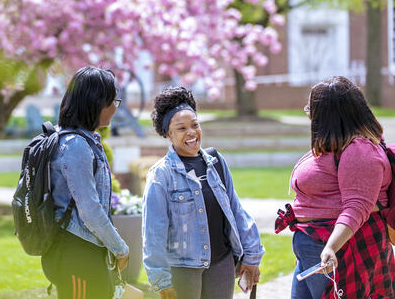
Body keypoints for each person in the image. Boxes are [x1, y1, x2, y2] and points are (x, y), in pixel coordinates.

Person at [275, 76, 395, 298]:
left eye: (311, 108)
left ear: (329, 114)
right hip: (314, 246)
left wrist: (330, 247)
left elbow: (357, 207)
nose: (308, 113)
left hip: (342, 248)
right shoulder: (337, 146)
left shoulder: (360, 150)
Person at [142, 86, 264, 299]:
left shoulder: (215, 163)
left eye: (194, 125)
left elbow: (235, 210)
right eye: (181, 128)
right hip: (183, 270)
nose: (191, 132)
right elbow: (153, 233)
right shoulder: (161, 175)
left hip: (221, 264)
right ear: (168, 134)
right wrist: (160, 280)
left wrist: (252, 255)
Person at [41, 67, 129, 299]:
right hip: (77, 252)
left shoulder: (83, 141)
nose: (115, 108)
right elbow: (89, 210)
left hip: (84, 249)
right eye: (113, 101)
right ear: (96, 103)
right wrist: (120, 248)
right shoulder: (76, 145)